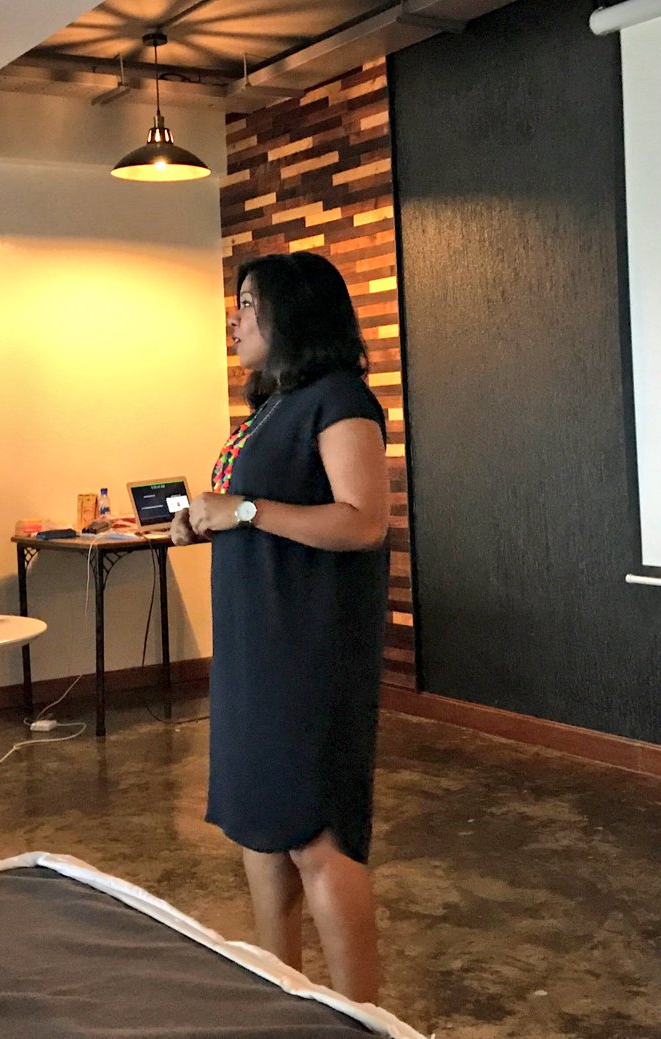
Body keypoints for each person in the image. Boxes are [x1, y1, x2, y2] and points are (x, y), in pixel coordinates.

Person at [172, 252, 389, 1003]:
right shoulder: (273, 404)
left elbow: (363, 520)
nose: (234, 319)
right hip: (254, 650)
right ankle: (284, 998)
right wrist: (206, 519)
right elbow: (256, 514)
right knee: (262, 833)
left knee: (316, 837)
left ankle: (365, 1016)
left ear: (292, 312)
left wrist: (246, 510)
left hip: (308, 651)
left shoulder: (341, 399)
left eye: (248, 303)